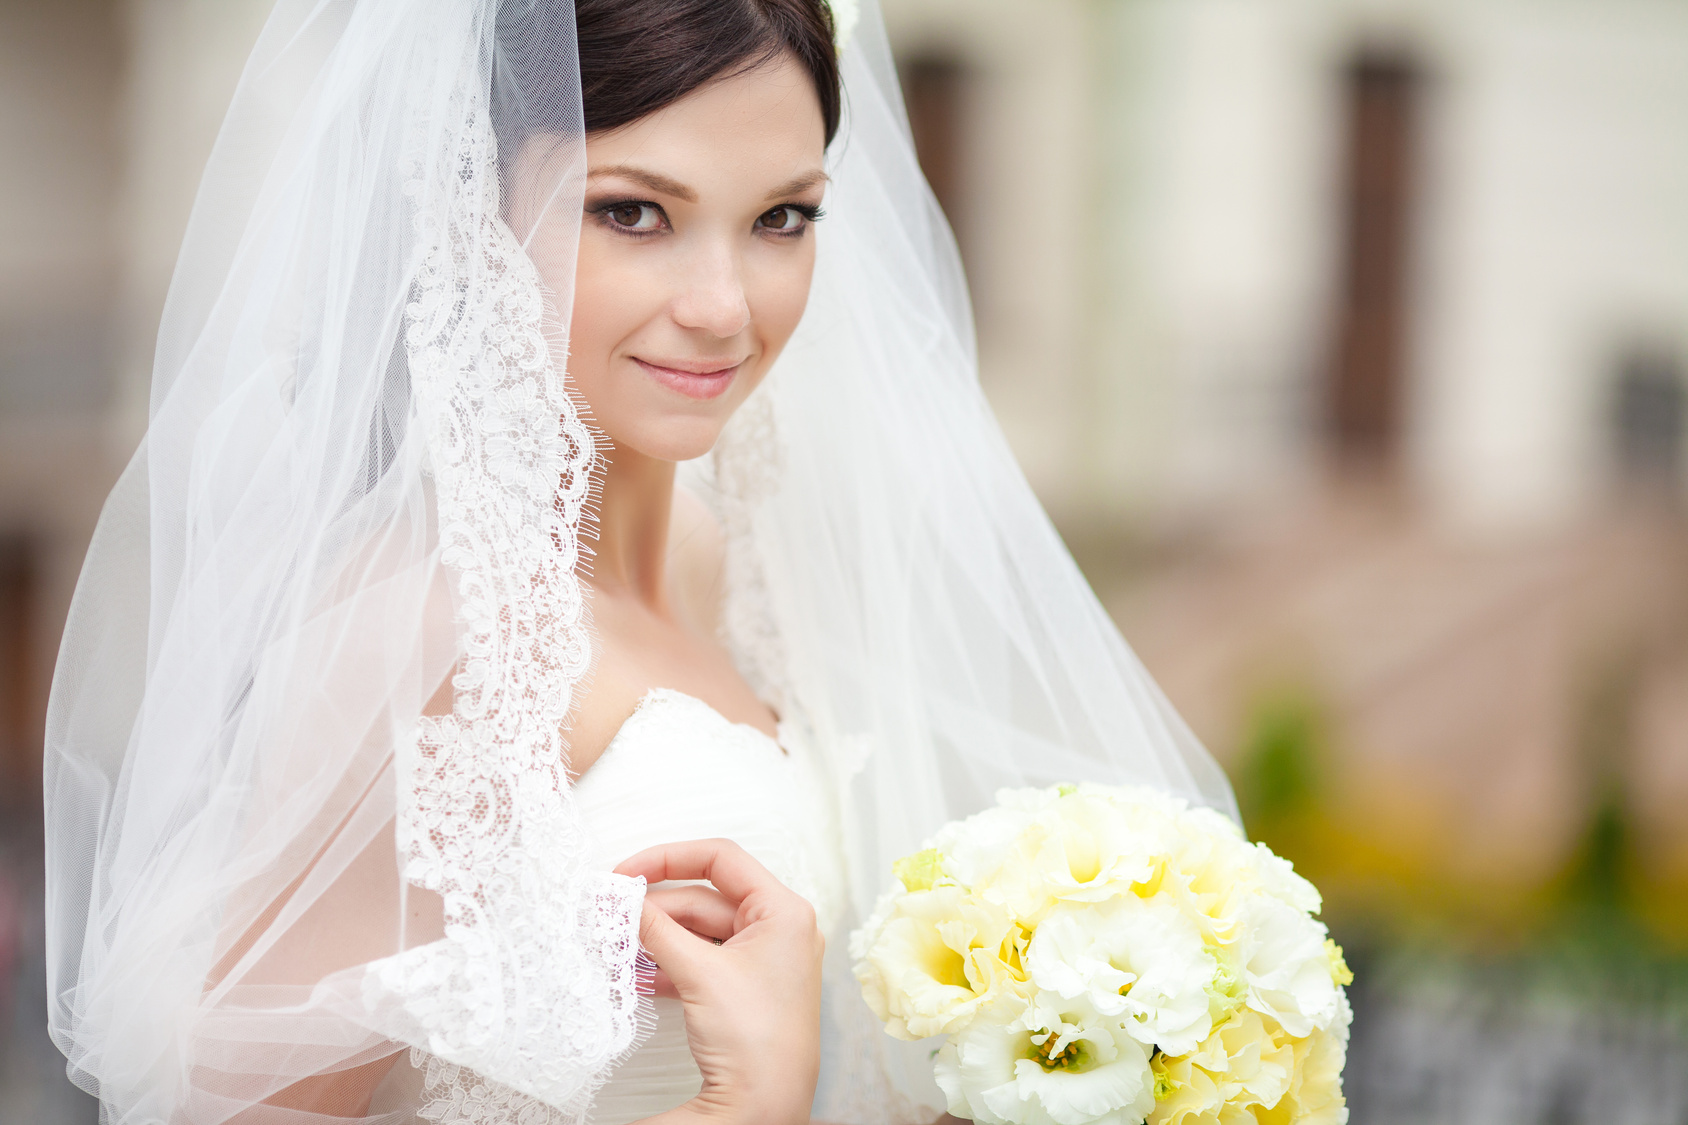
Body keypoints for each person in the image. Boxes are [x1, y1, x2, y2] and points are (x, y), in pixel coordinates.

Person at [43, 0, 1237, 1122]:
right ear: (467, 209)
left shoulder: (735, 569)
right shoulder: (434, 637)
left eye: (782, 218)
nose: (722, 305)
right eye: (631, 212)